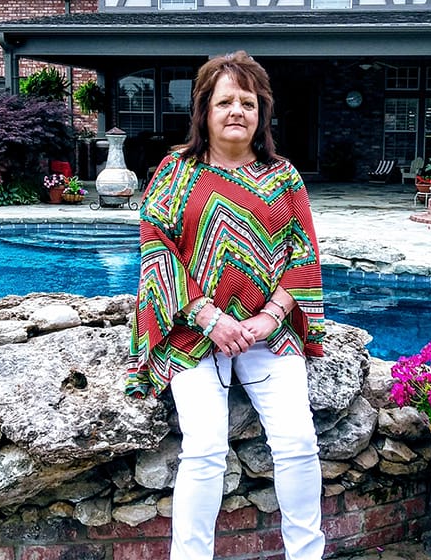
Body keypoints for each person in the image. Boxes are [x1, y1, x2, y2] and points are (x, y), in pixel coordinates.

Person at [127, 50, 326, 560]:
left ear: (261, 113)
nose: (237, 110)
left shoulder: (284, 178)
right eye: (225, 102)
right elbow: (156, 248)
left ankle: (306, 554)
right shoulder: (175, 172)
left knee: (299, 444)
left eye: (248, 102)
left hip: (268, 331)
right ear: (204, 111)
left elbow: (304, 257)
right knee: (205, 449)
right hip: (192, 332)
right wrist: (208, 316)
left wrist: (268, 317)